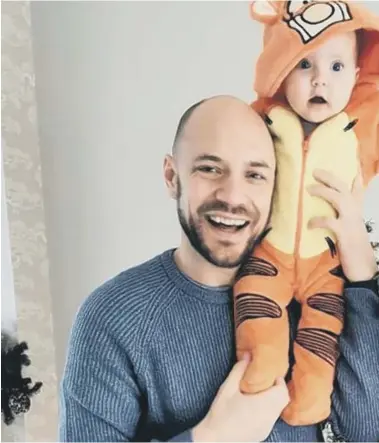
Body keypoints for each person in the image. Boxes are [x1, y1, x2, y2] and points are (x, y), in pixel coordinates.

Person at [58, 95, 379, 442]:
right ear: (171, 176)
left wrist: (361, 274)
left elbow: (366, 431)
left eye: (255, 175)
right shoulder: (112, 317)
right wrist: (214, 436)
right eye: (210, 168)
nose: (233, 196)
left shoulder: (313, 297)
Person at [233, 0, 379, 426]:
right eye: (304, 65)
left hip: (326, 268)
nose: (320, 80)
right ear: (283, 69)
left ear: (355, 76)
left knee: (322, 338)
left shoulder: (362, 128)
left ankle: (309, 402)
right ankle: (259, 386)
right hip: (268, 257)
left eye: (336, 68)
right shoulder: (264, 120)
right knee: (258, 336)